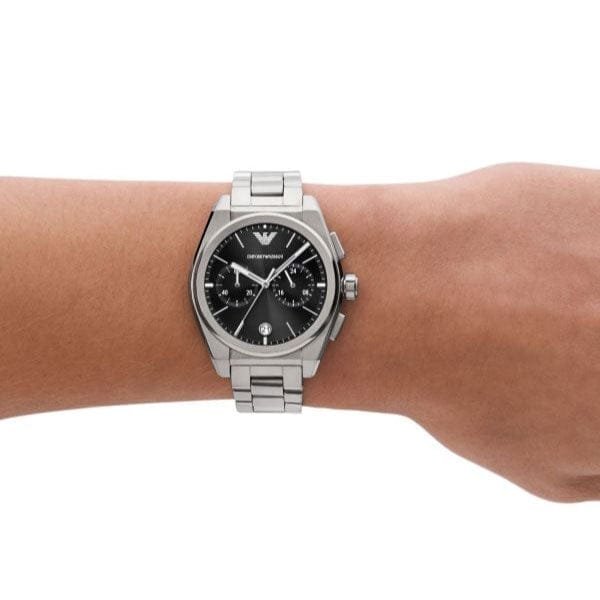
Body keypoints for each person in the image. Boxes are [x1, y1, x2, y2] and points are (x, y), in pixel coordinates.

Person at [1, 163, 599, 502]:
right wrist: (413, 308)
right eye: (254, 280)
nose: (265, 286)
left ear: (343, 283)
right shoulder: (259, 285)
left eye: (278, 280)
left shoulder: (323, 286)